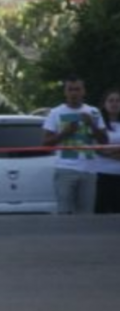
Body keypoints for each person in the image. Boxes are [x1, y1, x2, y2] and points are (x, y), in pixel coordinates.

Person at [42, 76, 107, 215]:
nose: (74, 93)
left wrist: (92, 124)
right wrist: (65, 133)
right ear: (65, 92)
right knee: (65, 213)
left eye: (77, 89)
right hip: (65, 168)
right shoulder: (55, 112)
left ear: (84, 91)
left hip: (89, 169)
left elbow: (105, 141)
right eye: (70, 89)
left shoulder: (94, 112)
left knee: (86, 214)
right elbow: (46, 143)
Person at [92, 88, 120, 214]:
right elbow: (95, 147)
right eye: (111, 100)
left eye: (118, 100)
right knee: (100, 213)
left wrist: (107, 151)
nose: (114, 103)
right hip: (101, 175)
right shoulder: (98, 124)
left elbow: (103, 148)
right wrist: (114, 153)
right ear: (104, 104)